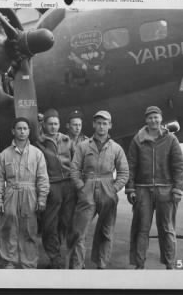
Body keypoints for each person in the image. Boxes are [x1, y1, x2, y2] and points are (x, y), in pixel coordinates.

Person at [125, 106, 183, 269]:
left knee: (167, 229)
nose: (153, 120)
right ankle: (139, 264)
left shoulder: (171, 139)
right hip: (142, 190)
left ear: (161, 119)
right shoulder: (137, 139)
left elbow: (179, 166)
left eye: (156, 117)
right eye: (150, 118)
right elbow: (131, 165)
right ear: (146, 120)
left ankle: (170, 264)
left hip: (166, 189)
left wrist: (178, 188)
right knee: (141, 229)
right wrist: (130, 189)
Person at [69, 110, 129, 269]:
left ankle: (101, 265)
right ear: (93, 124)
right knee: (79, 232)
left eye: (105, 123)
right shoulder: (83, 146)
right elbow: (74, 169)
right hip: (87, 189)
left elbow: (124, 172)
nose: (101, 126)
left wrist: (114, 188)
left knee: (106, 232)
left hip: (107, 189)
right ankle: (77, 266)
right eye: (98, 123)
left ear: (110, 125)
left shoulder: (116, 148)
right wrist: (81, 186)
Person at [0, 117, 49, 269]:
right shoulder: (4, 154)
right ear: (13, 131)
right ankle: (9, 261)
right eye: (19, 128)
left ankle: (28, 264)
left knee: (29, 230)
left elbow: (42, 178)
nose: (22, 131)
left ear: (29, 131)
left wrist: (42, 199)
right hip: (11, 194)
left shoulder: (37, 154)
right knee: (8, 229)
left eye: (25, 128)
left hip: (30, 194)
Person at [36, 108, 76, 269]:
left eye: (56, 124)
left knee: (65, 222)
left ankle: (58, 255)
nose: (53, 127)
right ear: (44, 125)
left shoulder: (67, 140)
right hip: (51, 185)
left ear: (60, 125)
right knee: (49, 224)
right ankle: (54, 258)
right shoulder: (40, 142)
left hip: (68, 185)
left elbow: (76, 162)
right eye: (50, 124)